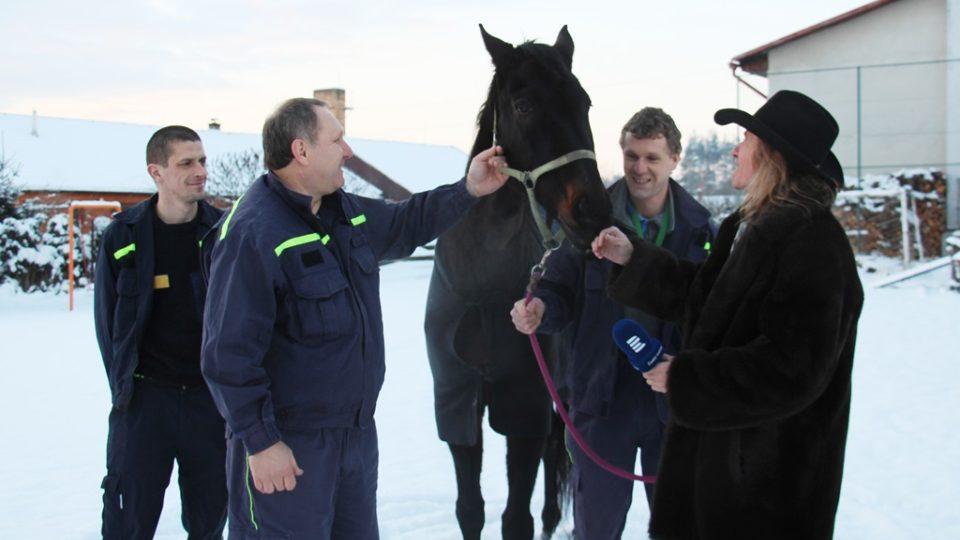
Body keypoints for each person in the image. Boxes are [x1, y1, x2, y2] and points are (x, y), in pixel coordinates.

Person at [200, 97, 508, 539]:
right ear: (300, 150)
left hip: (355, 438)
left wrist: (468, 189)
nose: (347, 151)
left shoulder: (341, 212)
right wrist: (262, 441)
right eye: (337, 140)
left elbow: (407, 222)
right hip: (289, 442)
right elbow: (227, 355)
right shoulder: (252, 233)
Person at [591, 90, 864, 539]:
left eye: (746, 140)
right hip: (717, 477)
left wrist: (687, 377)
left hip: (765, 494)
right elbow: (705, 298)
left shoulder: (815, 243)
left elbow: (793, 368)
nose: (736, 149)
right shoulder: (750, 227)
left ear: (772, 156)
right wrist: (633, 258)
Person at [510, 107, 715, 539]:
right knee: (596, 526)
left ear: (675, 158)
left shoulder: (702, 231)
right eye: (631, 156)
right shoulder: (587, 221)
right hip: (601, 398)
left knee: (681, 523)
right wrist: (540, 310)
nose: (640, 169)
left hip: (672, 401)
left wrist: (689, 370)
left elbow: (713, 316)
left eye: (652, 158)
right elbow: (559, 289)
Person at [94, 125, 227, 539]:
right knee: (127, 520)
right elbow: (107, 323)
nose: (200, 171)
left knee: (210, 519)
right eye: (186, 163)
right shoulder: (124, 236)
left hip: (210, 402)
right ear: (156, 171)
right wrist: (124, 393)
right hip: (146, 403)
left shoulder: (223, 234)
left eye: (202, 160)